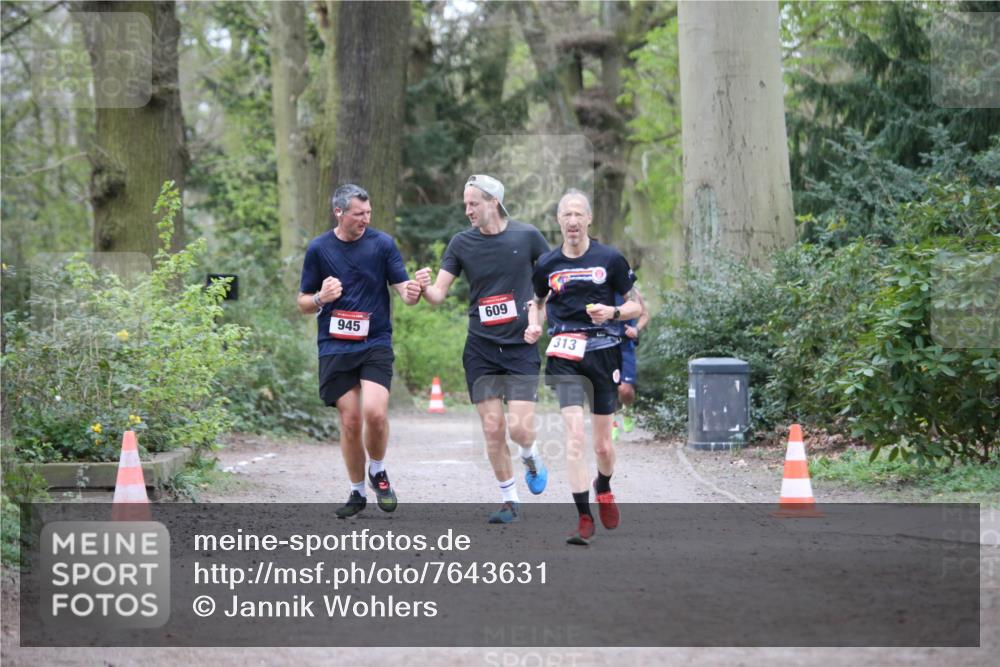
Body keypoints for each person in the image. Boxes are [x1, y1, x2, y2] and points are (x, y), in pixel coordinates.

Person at [415, 175, 550, 524]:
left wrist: (538, 319)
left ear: (494, 202)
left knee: (519, 430)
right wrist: (424, 287)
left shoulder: (528, 237)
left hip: (521, 346)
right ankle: (509, 500)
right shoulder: (462, 243)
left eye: (473, 203)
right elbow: (438, 295)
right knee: (492, 428)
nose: (468, 210)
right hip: (481, 348)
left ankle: (530, 454)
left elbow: (550, 286)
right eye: (465, 204)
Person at [297, 184, 422, 518]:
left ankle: (377, 470)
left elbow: (404, 291)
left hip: (374, 341)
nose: (365, 219)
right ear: (339, 212)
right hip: (335, 345)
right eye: (358, 214)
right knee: (351, 420)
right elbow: (303, 303)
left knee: (375, 413)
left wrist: (413, 292)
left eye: (368, 213)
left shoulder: (382, 244)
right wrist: (321, 297)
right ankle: (357, 492)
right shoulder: (319, 249)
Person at [531, 189, 642, 546]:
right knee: (575, 437)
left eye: (579, 214)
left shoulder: (610, 259)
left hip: (604, 352)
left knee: (603, 447)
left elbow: (637, 307)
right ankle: (583, 516)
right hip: (564, 354)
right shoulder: (546, 264)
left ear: (589, 219)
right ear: (559, 220)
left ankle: (603, 486)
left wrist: (613, 312)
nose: (573, 221)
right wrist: (533, 325)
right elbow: (537, 302)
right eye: (567, 214)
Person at [613, 284, 649, 439]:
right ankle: (612, 423)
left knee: (625, 390)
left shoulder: (630, 290)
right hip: (603, 345)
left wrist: (636, 329)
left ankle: (627, 409)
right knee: (607, 388)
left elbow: (644, 315)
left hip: (625, 346)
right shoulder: (598, 288)